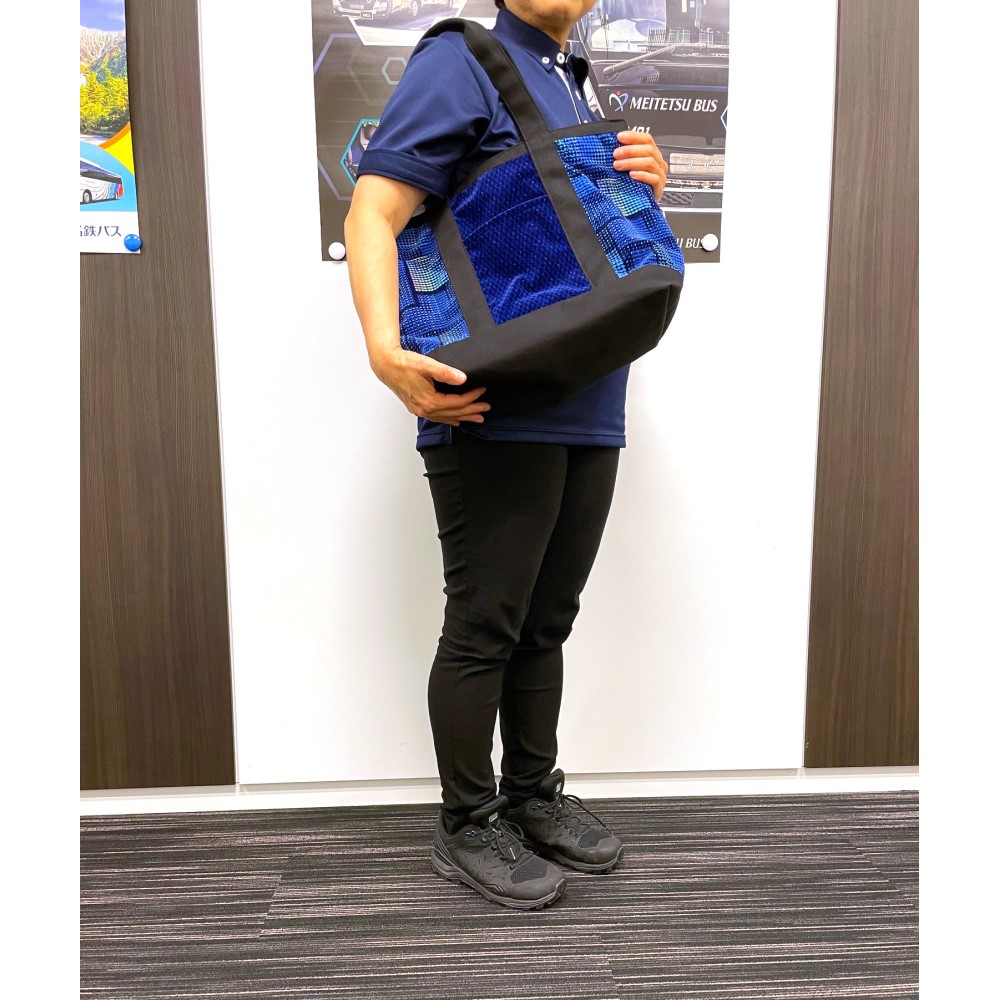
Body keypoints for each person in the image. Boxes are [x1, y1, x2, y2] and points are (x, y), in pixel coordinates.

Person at [344, 0, 667, 910]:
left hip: (589, 398)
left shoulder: (575, 77)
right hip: (489, 403)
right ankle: (466, 820)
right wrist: (384, 353)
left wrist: (643, 186)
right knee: (486, 622)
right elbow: (374, 209)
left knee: (547, 620)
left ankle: (531, 793)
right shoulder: (464, 58)